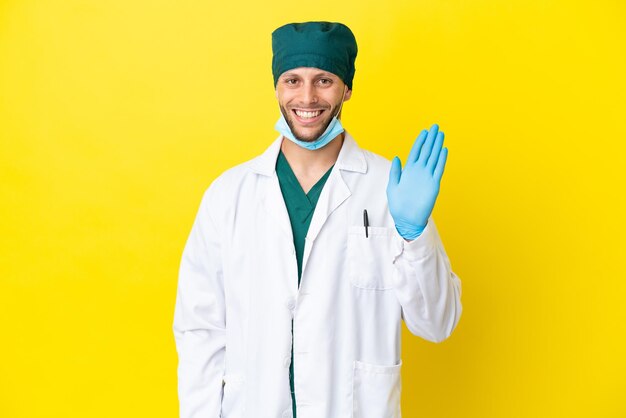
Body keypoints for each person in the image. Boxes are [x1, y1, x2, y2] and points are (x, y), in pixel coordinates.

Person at [173, 21, 462, 418]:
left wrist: (414, 236)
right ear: (277, 87)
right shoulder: (228, 196)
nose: (306, 97)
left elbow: (438, 323)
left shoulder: (389, 191)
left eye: (324, 80)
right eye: (292, 80)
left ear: (347, 88)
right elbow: (200, 331)